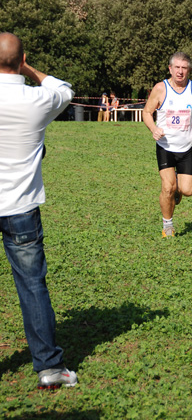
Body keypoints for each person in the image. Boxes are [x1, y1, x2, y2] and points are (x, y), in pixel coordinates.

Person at [0, 32, 77, 389]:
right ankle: (49, 368)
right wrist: (28, 69)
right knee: (32, 286)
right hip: (21, 207)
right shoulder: (38, 99)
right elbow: (65, 89)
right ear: (22, 59)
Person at [143, 52, 192, 237]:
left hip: (187, 148)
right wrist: (153, 128)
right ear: (170, 69)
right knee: (167, 187)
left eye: (184, 68)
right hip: (165, 146)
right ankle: (168, 227)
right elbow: (147, 112)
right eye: (177, 68)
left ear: (188, 70)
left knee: (187, 190)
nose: (180, 72)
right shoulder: (160, 89)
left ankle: (177, 192)